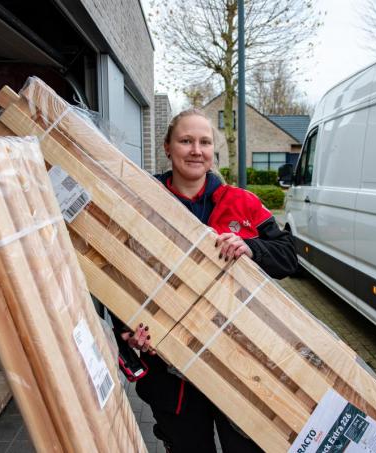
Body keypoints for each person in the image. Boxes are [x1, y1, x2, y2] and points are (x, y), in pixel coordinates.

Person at [115, 108, 298, 453]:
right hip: (172, 373)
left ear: (213, 150)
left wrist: (251, 247)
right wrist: (128, 332)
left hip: (241, 365)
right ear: (168, 147)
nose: (196, 150)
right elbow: (113, 271)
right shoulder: (140, 201)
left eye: (204, 142)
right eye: (186, 141)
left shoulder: (241, 203)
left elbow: (288, 257)